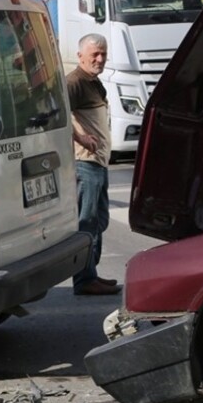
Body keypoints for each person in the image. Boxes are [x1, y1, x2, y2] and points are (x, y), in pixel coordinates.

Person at [67, 33, 122, 296]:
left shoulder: (94, 82)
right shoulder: (74, 81)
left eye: (103, 53)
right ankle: (84, 280)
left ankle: (92, 274)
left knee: (100, 219)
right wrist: (79, 137)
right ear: (81, 56)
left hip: (98, 163)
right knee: (87, 221)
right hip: (84, 162)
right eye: (94, 54)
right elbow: (57, 113)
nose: (100, 59)